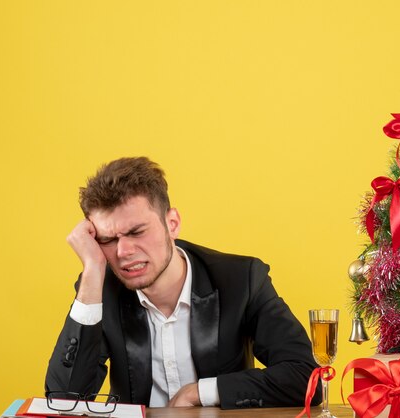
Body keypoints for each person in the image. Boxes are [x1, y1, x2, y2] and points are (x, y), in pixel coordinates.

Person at [45, 157, 320, 409]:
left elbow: (308, 378)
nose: (123, 251)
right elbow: (62, 400)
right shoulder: (99, 290)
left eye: (137, 232)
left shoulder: (241, 279)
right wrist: (93, 270)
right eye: (107, 239)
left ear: (172, 223)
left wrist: (199, 392)